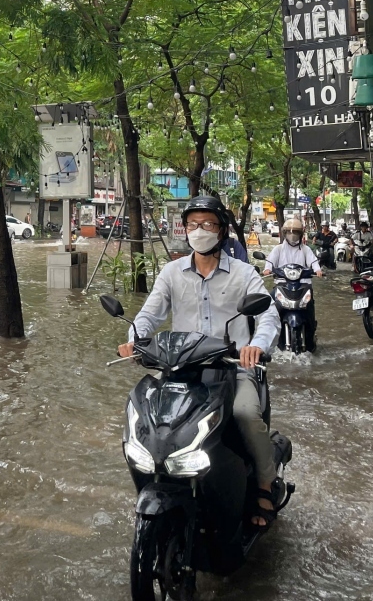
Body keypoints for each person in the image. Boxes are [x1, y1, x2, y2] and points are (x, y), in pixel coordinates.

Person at [117, 196, 281, 528]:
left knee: (245, 414)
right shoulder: (172, 272)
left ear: (221, 231)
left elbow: (268, 314)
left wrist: (257, 347)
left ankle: (265, 483)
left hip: (232, 368)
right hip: (182, 370)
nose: (199, 231)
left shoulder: (243, 273)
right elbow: (150, 313)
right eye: (193, 225)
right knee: (149, 420)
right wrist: (135, 339)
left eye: (207, 224)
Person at [264, 217, 324, 347]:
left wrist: (318, 270)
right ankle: (269, 333)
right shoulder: (278, 249)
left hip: (303, 285)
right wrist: (267, 270)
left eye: (295, 232)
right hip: (282, 284)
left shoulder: (306, 249)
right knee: (270, 306)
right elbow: (269, 263)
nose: (292, 235)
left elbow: (313, 262)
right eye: (289, 232)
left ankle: (311, 330)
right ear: (284, 233)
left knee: (310, 306)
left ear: (301, 234)